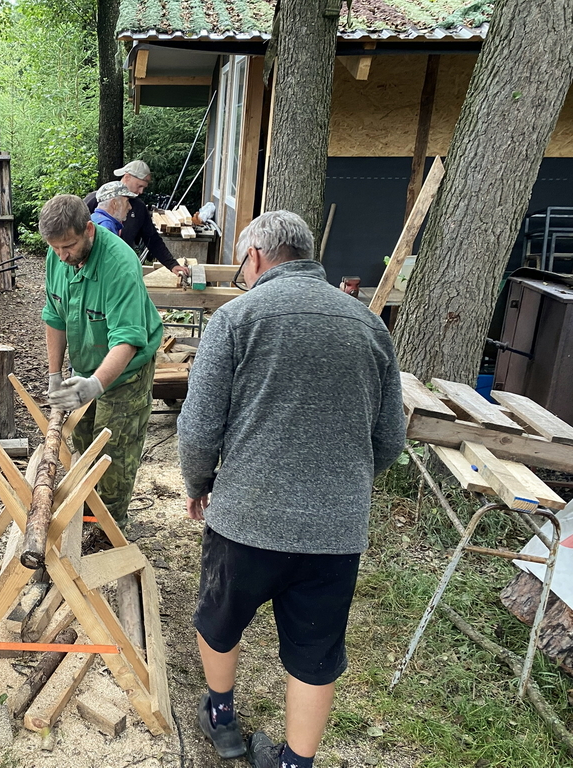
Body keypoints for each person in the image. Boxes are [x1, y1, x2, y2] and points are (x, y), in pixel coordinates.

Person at [177, 211, 406, 767]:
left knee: (220, 619)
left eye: (242, 261)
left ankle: (222, 718)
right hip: (335, 530)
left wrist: (198, 483)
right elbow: (389, 439)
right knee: (315, 652)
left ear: (255, 256)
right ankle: (295, 762)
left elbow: (198, 428)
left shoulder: (236, 319)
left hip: (246, 517)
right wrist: (345, 487)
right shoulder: (368, 325)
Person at [40, 194, 162, 535]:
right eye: (55, 248)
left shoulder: (119, 264)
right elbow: (55, 316)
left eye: (68, 246)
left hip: (126, 373)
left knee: (112, 453)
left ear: (89, 230)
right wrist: (54, 375)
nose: (62, 256)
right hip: (85, 364)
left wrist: (95, 385)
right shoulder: (57, 255)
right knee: (84, 443)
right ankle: (88, 516)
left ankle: (110, 530)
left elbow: (127, 340)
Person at [85, 160, 190, 279]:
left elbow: (152, 239)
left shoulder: (139, 207)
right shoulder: (96, 200)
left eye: (143, 188)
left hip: (122, 270)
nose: (141, 192)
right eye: (139, 186)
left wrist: (172, 264)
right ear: (127, 177)